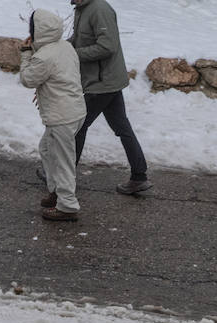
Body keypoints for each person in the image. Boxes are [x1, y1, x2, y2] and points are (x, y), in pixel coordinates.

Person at [69, 0, 152, 195]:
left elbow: (107, 46)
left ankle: (63, 176)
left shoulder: (99, 9)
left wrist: (74, 54)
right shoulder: (82, 9)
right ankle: (139, 177)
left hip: (102, 83)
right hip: (104, 81)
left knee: (78, 125)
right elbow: (79, 39)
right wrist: (62, 48)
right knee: (122, 127)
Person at [20, 9, 87, 222]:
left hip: (62, 116)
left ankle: (67, 206)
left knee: (62, 160)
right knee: (47, 149)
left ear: (38, 31)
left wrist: (25, 53)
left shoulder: (44, 56)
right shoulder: (64, 46)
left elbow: (28, 79)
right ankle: (57, 191)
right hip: (74, 110)